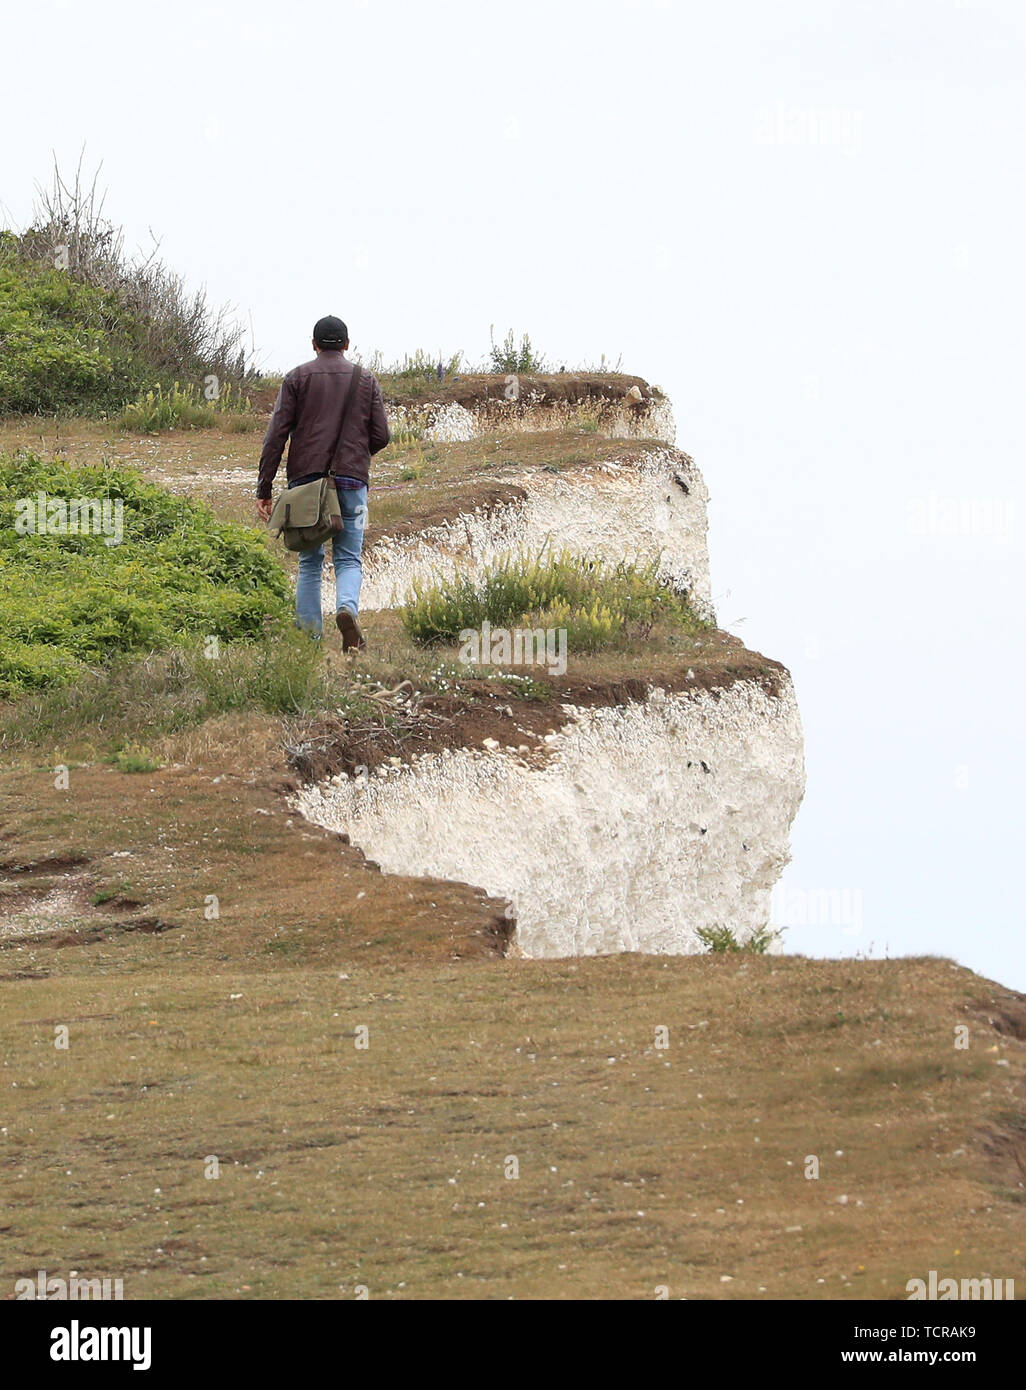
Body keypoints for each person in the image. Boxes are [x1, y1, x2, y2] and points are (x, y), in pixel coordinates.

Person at [256, 315, 390, 650]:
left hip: (306, 483)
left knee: (309, 560)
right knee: (348, 558)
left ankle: (309, 639)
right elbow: (382, 435)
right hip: (352, 481)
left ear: (314, 345)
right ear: (347, 344)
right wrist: (357, 454)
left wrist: (265, 487)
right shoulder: (366, 379)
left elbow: (276, 436)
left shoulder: (296, 378)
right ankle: (346, 608)